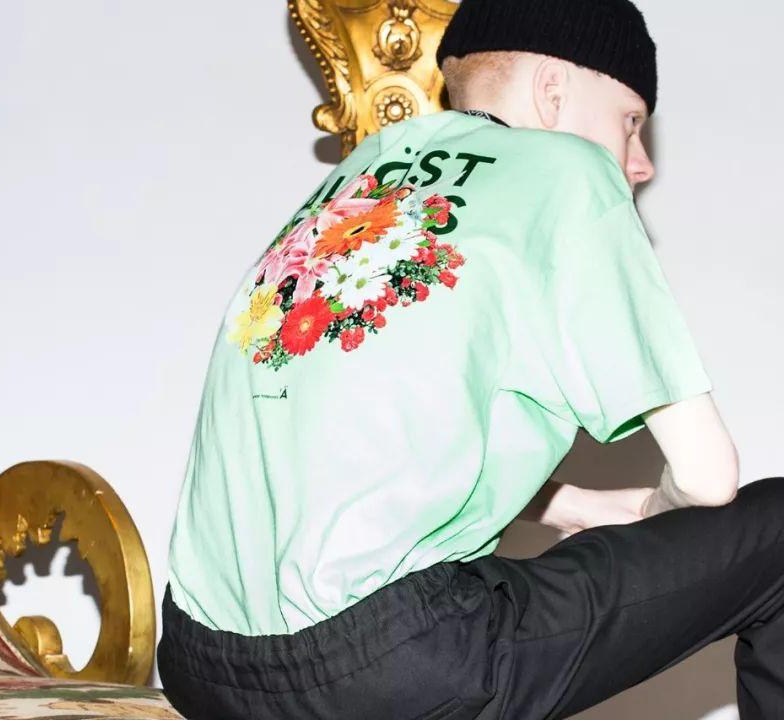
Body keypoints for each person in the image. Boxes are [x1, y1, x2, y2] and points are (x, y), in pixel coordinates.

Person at [156, 0, 783, 717]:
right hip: (385, 670)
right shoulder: (569, 171)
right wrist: (653, 506)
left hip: (201, 662)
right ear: (553, 92)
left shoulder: (366, 172)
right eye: (631, 120)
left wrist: (573, 504)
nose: (640, 163)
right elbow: (707, 477)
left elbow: (367, 435)